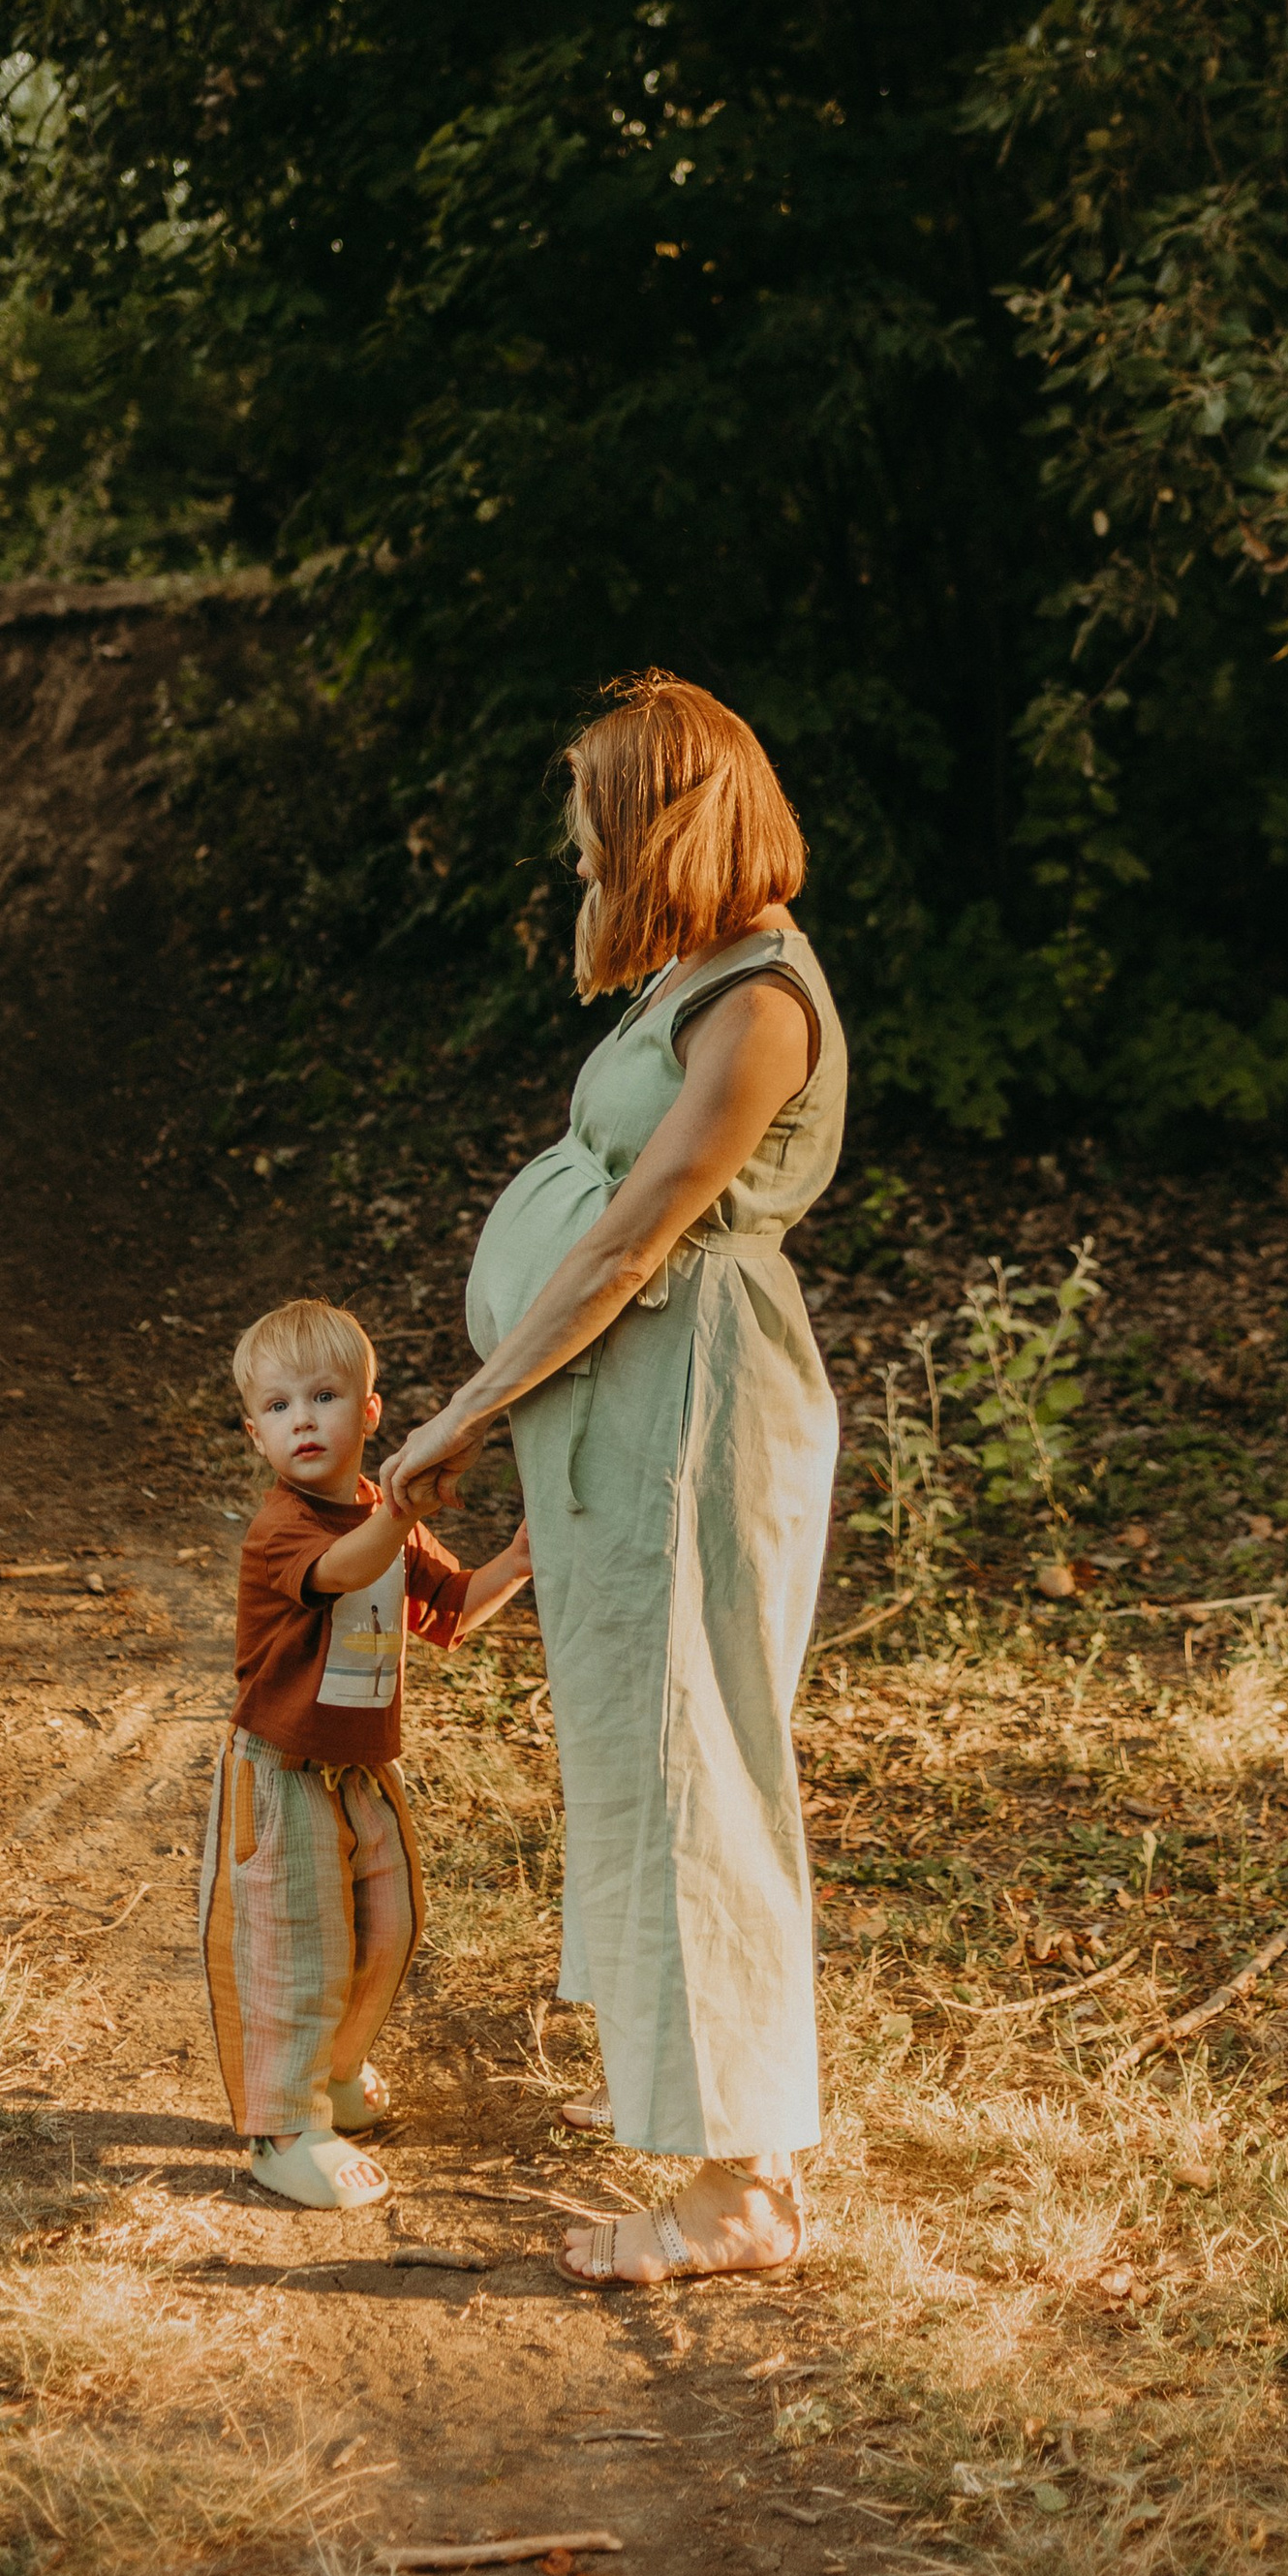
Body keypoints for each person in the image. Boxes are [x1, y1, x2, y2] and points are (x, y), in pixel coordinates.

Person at [380, 672, 844, 2288]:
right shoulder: (700, 979)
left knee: (700, 1766)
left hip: (705, 1410)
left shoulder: (763, 1002)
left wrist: (449, 1423)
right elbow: (610, 1323)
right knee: (661, 1767)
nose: (583, 862)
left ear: (666, 814)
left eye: (596, 831)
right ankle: (732, 2137)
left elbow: (633, 1245)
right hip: (643, 1428)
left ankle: (737, 2196)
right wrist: (515, 1556)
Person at [199, 1295, 533, 2210]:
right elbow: (343, 1569)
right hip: (283, 1769)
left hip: (360, 1768)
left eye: (323, 1395)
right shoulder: (287, 1527)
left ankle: (334, 2074)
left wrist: (516, 1560)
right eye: (277, 1407)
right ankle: (282, 2126)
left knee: (389, 1925)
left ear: (371, 1413)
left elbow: (451, 1609)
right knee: (297, 1942)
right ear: (257, 1434)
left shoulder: (386, 1518)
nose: (302, 1418)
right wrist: (400, 1508)